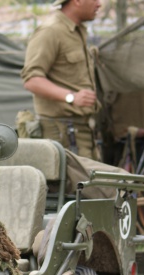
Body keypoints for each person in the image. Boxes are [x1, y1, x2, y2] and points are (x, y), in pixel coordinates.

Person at [21, 0, 101, 160]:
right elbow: (31, 79)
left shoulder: (76, 31)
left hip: (82, 131)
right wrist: (71, 97)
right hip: (61, 132)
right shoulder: (51, 31)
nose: (99, 4)